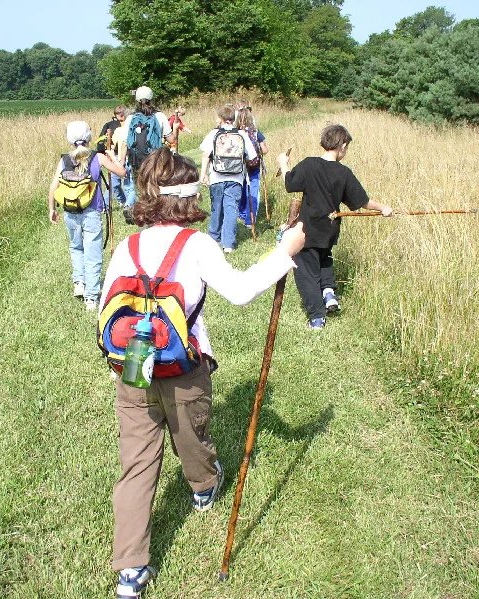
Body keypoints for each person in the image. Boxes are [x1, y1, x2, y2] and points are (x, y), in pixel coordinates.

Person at [99, 147, 305, 599]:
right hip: (185, 367)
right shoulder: (197, 245)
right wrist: (286, 253)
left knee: (135, 465)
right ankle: (205, 486)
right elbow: (239, 290)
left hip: (132, 367)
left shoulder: (125, 246)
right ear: (189, 198)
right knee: (192, 436)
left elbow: (106, 308)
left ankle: (130, 570)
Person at [277, 123, 394, 330]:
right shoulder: (344, 173)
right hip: (330, 228)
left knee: (306, 272)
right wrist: (383, 207)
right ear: (342, 145)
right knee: (324, 258)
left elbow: (290, 184)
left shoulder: (309, 164)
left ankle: (317, 317)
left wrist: (283, 163)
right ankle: (329, 292)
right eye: (347, 148)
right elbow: (362, 201)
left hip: (308, 229)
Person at [48, 121, 126, 311]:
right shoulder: (97, 158)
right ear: (89, 137)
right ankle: (91, 297)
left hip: (70, 212)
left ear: (70, 139)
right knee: (93, 253)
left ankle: (79, 283)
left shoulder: (65, 159)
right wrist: (113, 157)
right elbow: (122, 172)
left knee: (76, 247)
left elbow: (53, 187)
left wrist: (52, 209)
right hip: (91, 212)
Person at [199, 104, 258, 253]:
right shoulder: (242, 135)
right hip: (236, 177)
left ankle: (214, 237)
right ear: (233, 119)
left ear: (220, 119)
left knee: (216, 207)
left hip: (216, 176)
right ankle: (228, 243)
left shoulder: (214, 134)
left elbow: (206, 155)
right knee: (231, 208)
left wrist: (203, 174)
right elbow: (252, 157)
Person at [122, 86, 175, 223]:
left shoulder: (131, 118)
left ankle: (143, 213)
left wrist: (122, 162)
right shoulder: (160, 116)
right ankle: (156, 213)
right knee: (156, 186)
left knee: (141, 188)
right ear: (152, 99)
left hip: (136, 159)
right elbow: (171, 139)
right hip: (155, 159)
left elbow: (124, 142)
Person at [235, 106, 268, 228]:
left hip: (239, 168)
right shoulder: (255, 132)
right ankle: (250, 220)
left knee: (242, 190)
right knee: (253, 192)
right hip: (254, 167)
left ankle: (241, 214)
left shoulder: (235, 133)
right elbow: (265, 150)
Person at [98, 105, 128, 207]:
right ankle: (107, 205)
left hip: (113, 154)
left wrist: (104, 152)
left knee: (115, 181)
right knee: (115, 181)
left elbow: (101, 141)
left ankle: (121, 201)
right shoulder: (125, 125)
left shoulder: (109, 125)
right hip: (118, 154)